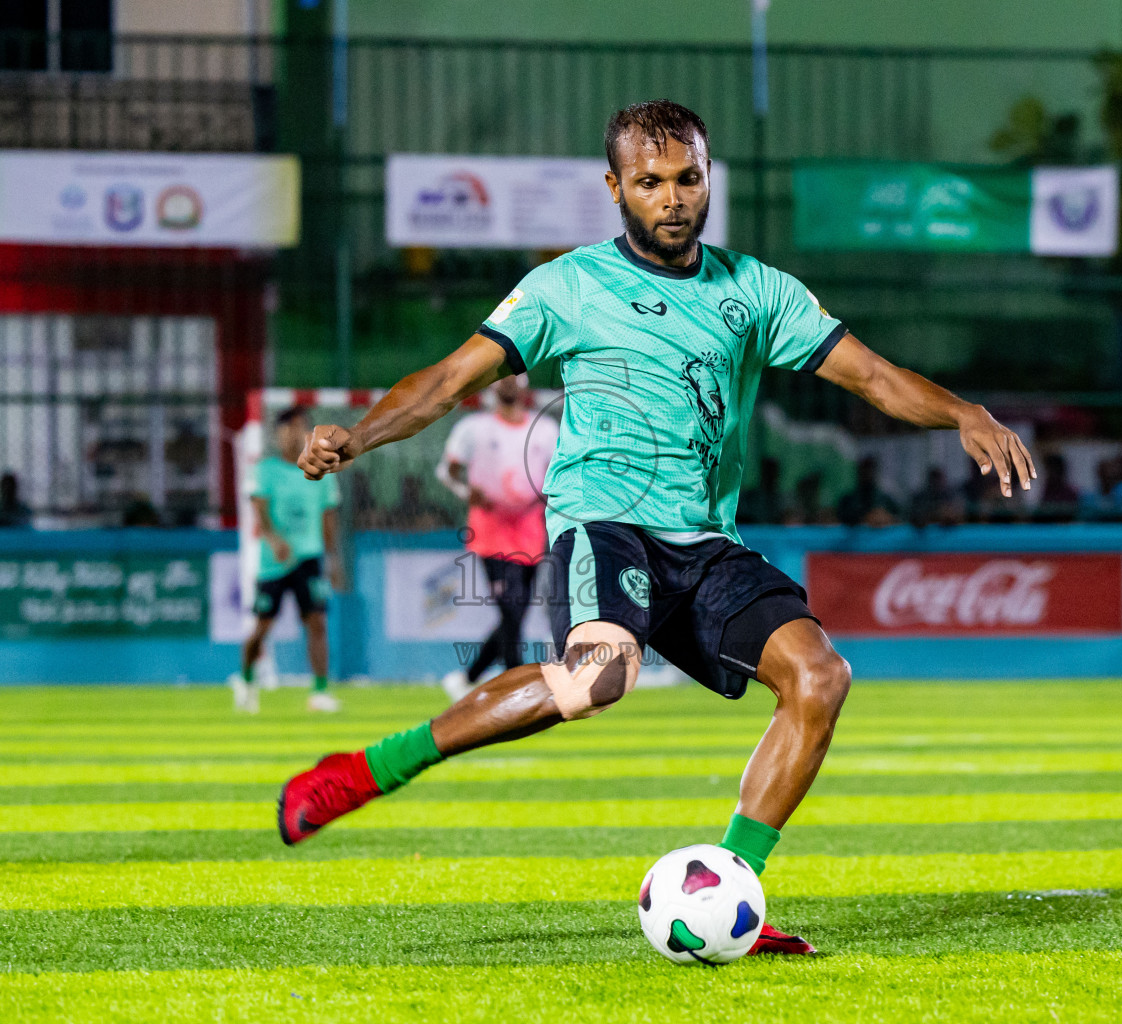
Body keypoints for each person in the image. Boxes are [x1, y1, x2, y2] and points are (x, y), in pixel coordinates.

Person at [276, 101, 1033, 956]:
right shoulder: (567, 287)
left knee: (820, 679)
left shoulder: (759, 290)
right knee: (595, 681)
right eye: (649, 182)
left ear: (709, 180)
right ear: (616, 188)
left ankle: (732, 892)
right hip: (606, 523)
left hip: (709, 544)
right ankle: (364, 772)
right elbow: (449, 379)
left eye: (687, 179)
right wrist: (359, 434)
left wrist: (964, 412)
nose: (671, 198)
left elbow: (875, 379)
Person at [436, 375, 558, 702]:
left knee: (515, 612)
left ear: (526, 387)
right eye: (501, 377)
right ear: (492, 387)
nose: (507, 383)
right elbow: (446, 470)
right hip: (490, 531)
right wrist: (466, 491)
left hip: (531, 530)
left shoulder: (545, 429)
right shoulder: (474, 428)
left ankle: (467, 677)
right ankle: (517, 688)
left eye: (514, 377)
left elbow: (556, 475)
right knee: (513, 609)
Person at [231, 407, 345, 714]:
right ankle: (246, 679)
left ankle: (319, 691)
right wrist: (274, 540)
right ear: (279, 433)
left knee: (317, 622)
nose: (297, 433)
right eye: (291, 427)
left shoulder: (322, 470)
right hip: (274, 562)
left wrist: (333, 561)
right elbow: (260, 510)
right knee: (263, 628)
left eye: (302, 427)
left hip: (309, 557)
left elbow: (328, 518)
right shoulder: (266, 469)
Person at [835, 455, 898, 527]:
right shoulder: (847, 501)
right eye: (864, 469)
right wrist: (865, 518)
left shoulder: (886, 500)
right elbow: (841, 520)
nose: (868, 473)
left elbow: (897, 518)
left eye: (870, 469)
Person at [736, 456, 785, 524]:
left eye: (773, 471)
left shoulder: (782, 500)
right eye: (768, 471)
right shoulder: (748, 498)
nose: (770, 475)